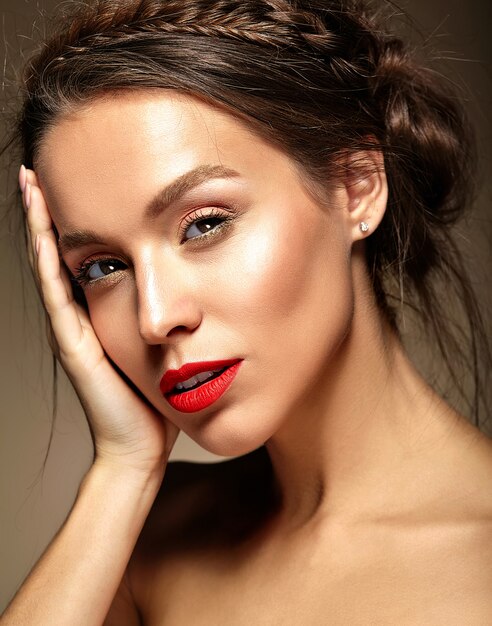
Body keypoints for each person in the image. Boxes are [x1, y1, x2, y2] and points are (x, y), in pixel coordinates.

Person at [2, 0, 491, 623]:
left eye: (204, 225)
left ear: (356, 183)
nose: (155, 318)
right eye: (103, 267)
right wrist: (123, 471)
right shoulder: (148, 546)